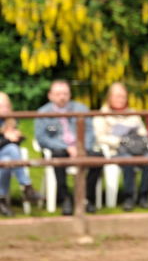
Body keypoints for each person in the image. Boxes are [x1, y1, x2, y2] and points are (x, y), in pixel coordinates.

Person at [35, 80, 103, 215]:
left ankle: (87, 198)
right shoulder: (42, 112)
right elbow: (42, 138)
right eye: (58, 94)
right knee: (58, 157)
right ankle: (65, 198)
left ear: (70, 94)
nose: (62, 97)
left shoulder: (81, 109)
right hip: (59, 149)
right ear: (50, 95)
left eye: (65, 93)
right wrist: (66, 147)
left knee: (98, 158)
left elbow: (90, 132)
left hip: (81, 147)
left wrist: (81, 148)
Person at [94, 82, 148, 211]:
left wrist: (136, 139)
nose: (120, 99)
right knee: (128, 162)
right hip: (116, 150)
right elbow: (99, 136)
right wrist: (119, 140)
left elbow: (143, 132)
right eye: (117, 96)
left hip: (137, 148)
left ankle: (143, 195)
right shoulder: (102, 114)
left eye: (123, 96)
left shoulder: (132, 113)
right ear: (109, 97)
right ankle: (129, 197)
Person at [0, 92, 41, 216]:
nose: (4, 109)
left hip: (5, 154)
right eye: (1, 106)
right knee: (10, 151)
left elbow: (15, 144)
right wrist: (6, 138)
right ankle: (27, 186)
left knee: (8, 157)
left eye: (6, 106)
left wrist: (17, 136)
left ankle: (1, 200)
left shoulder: (11, 121)